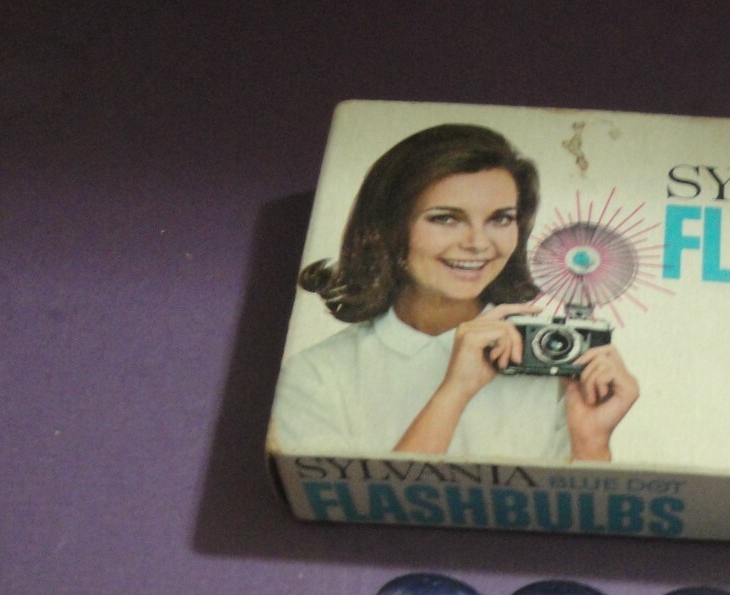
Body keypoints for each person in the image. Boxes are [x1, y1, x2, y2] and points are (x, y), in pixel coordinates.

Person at [272, 124, 639, 462]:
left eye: (500, 218)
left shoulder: (554, 361)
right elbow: (359, 501)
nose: (479, 243)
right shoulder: (318, 374)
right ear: (387, 228)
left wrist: (592, 442)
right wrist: (454, 392)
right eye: (445, 218)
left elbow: (574, 506)